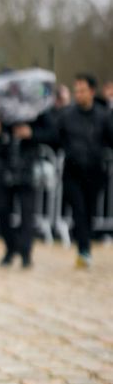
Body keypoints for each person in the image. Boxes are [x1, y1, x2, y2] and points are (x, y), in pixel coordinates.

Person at [0, 111, 56, 268]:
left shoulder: (36, 110)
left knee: (27, 213)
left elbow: (53, 134)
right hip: (4, 169)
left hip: (27, 170)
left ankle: (25, 252)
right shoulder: (0, 110)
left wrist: (31, 133)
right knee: (1, 210)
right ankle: (11, 247)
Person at [57, 74, 113, 267]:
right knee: (79, 210)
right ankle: (84, 249)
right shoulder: (66, 115)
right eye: (76, 91)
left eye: (82, 90)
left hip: (95, 172)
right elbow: (54, 137)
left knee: (89, 212)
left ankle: (85, 246)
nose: (78, 94)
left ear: (91, 91)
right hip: (72, 172)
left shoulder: (104, 115)